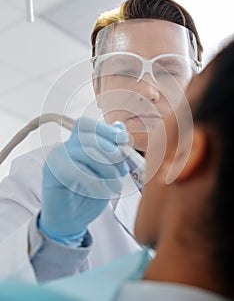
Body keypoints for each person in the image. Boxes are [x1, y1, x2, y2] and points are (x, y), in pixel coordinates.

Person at [1, 38, 233, 301]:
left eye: (169, 72)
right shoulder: (41, 171)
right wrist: (50, 240)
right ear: (97, 88)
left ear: (187, 154)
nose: (149, 91)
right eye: (125, 70)